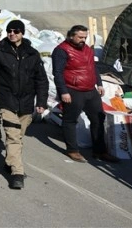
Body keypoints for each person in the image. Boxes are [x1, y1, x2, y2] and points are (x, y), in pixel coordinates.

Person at [0, 19, 48, 189]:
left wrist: (41, 101)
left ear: (22, 33)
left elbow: (41, 79)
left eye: (16, 31)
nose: (12, 34)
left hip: (26, 103)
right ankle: (17, 173)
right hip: (6, 100)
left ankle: (10, 160)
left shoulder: (32, 54)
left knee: (18, 137)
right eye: (9, 31)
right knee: (13, 136)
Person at [52, 25, 119, 164]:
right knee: (70, 120)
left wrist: (99, 83)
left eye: (85, 37)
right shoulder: (61, 51)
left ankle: (100, 151)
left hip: (90, 90)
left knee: (98, 119)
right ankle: (73, 150)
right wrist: (63, 91)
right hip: (73, 90)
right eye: (80, 37)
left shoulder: (87, 49)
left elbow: (92, 67)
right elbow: (57, 73)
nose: (83, 40)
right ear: (71, 36)